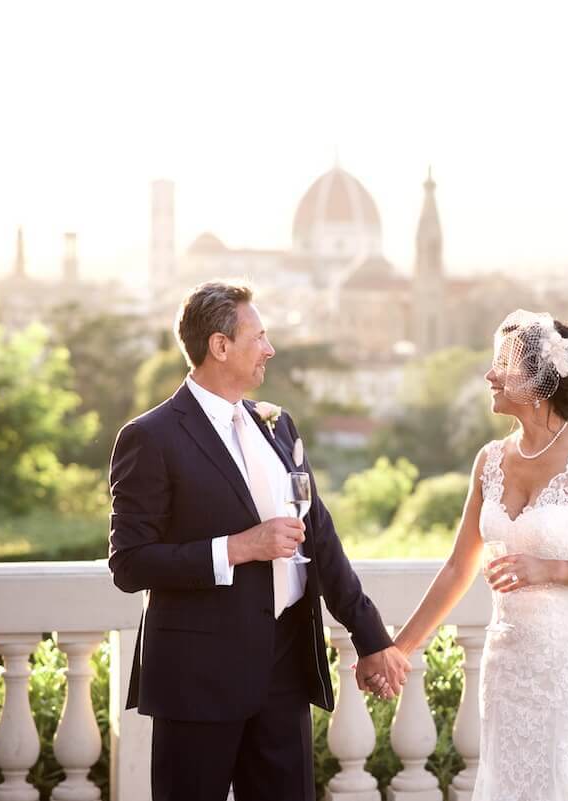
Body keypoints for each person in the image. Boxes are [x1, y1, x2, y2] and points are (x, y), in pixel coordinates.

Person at [108, 280, 411, 801]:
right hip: (198, 678)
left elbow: (321, 538)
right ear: (219, 346)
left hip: (285, 667)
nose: (270, 349)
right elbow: (130, 563)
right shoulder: (151, 436)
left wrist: (371, 638)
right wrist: (237, 547)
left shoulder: (279, 425)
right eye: (259, 337)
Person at [377, 309, 568, 801]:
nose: (490, 374)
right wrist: (400, 648)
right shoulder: (490, 460)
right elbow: (460, 567)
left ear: (541, 381)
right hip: (510, 665)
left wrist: (550, 568)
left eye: (504, 364)